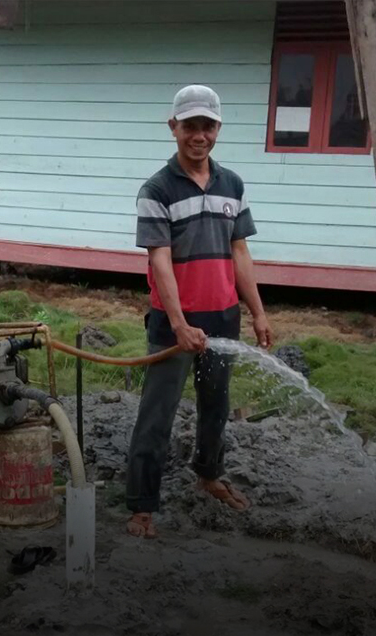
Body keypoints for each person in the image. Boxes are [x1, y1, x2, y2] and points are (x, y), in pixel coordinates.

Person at [126, 85, 273, 538]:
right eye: (190, 126)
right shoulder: (157, 189)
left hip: (224, 317)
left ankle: (209, 475)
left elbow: (240, 252)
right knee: (158, 413)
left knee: (216, 406)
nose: (199, 135)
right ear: (174, 128)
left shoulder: (233, 184)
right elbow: (159, 261)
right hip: (176, 325)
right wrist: (177, 323)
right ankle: (141, 505)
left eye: (207, 126)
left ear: (218, 129)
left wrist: (257, 312)